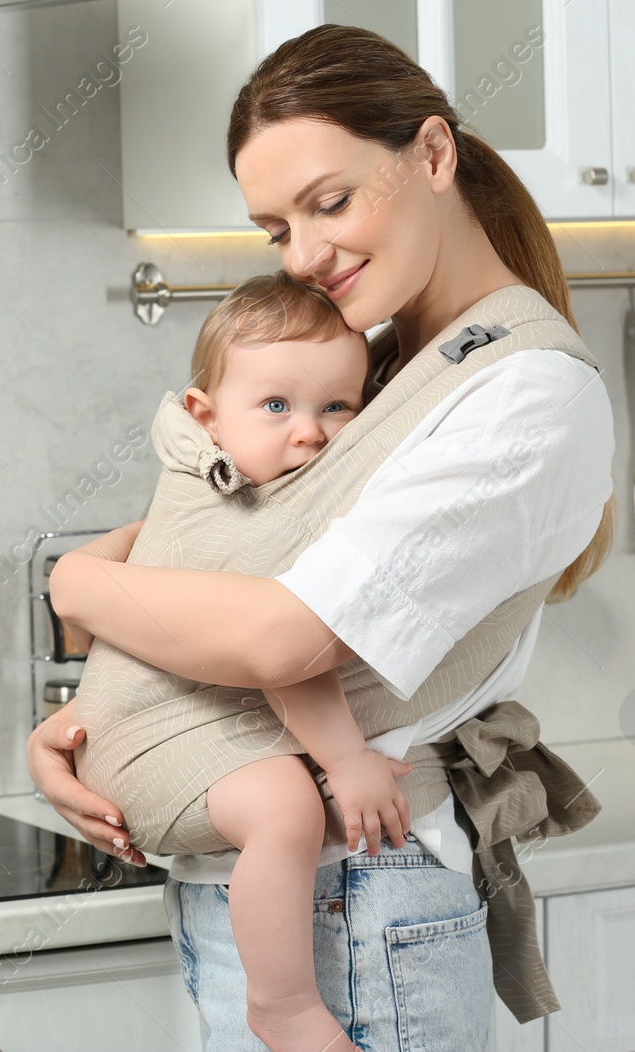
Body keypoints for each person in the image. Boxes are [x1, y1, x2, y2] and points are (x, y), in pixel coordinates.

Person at [27, 23, 615, 1052]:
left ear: (434, 155)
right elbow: (196, 537)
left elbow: (283, 636)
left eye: (329, 202)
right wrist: (106, 716)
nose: (304, 256)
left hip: (359, 895)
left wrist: (78, 587)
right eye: (273, 229)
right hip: (283, 891)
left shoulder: (524, 391)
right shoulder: (367, 366)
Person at [71, 271, 407, 1052]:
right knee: (285, 806)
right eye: (278, 405)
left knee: (280, 798)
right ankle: (284, 1005)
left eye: (338, 406)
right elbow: (282, 653)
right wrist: (347, 757)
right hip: (147, 746)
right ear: (205, 415)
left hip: (157, 729)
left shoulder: (222, 478)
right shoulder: (245, 506)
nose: (311, 433)